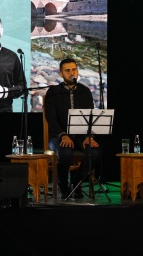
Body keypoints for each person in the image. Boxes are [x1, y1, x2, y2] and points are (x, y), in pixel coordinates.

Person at [44, 58, 101, 198]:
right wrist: (63, 134)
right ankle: (63, 185)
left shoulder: (85, 91)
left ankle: (76, 182)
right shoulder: (54, 91)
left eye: (74, 69)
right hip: (58, 136)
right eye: (67, 70)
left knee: (94, 152)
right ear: (61, 73)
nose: (71, 73)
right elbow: (51, 118)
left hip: (80, 136)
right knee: (66, 152)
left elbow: (90, 116)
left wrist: (89, 136)